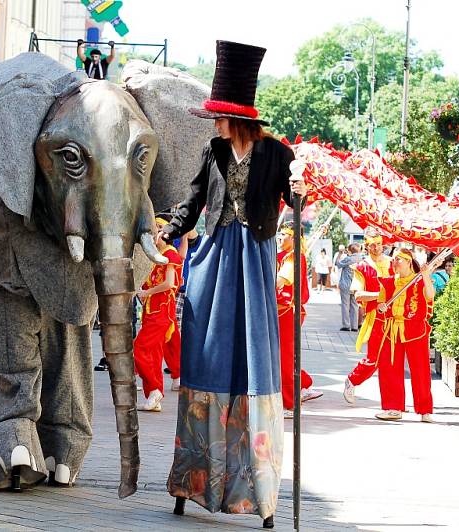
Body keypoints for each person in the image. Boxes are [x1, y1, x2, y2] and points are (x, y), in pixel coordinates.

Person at [159, 40, 308, 529]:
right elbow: (194, 200)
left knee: (254, 364)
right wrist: (170, 229)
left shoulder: (277, 154)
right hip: (217, 257)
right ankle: (194, 479)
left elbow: (292, 198)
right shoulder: (214, 149)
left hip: (255, 259)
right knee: (205, 354)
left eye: (220, 117)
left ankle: (256, 489)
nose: (215, 124)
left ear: (238, 117)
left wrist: (301, 191)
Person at [372, 248, 437, 422]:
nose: (395, 262)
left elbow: (430, 296)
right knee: (389, 369)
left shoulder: (419, 281)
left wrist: (424, 275)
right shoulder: (387, 282)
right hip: (392, 330)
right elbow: (380, 304)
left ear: (409, 261)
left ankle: (425, 411)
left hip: (415, 330)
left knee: (421, 371)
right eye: (393, 259)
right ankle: (393, 408)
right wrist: (382, 307)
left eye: (399, 259)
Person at [133, 218, 183, 412]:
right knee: (153, 354)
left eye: (158, 230)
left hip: (161, 313)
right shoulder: (154, 255)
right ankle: (154, 395)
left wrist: (147, 292)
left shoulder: (170, 254)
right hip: (150, 312)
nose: (155, 234)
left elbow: (170, 283)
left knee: (140, 350)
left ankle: (155, 389)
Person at [342, 231, 393, 404]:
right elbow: (358, 295)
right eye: (372, 244)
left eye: (378, 243)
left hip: (396, 317)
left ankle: (393, 402)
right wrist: (380, 295)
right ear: (366, 245)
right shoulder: (362, 267)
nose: (376, 247)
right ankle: (352, 379)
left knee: (392, 361)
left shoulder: (393, 263)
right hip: (375, 317)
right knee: (373, 360)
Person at [277, 222, 322, 418]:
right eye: (280, 233)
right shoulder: (281, 255)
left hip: (288, 312)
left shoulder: (294, 256)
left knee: (285, 358)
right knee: (279, 357)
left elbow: (279, 281)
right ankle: (303, 384)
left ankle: (289, 404)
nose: (280, 237)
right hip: (277, 311)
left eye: (285, 234)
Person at [336, 243, 363, 331]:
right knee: (355, 305)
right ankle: (354, 326)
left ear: (350, 250)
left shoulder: (348, 258)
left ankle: (346, 325)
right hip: (356, 285)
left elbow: (338, 264)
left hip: (346, 284)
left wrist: (340, 253)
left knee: (345, 305)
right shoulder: (361, 259)